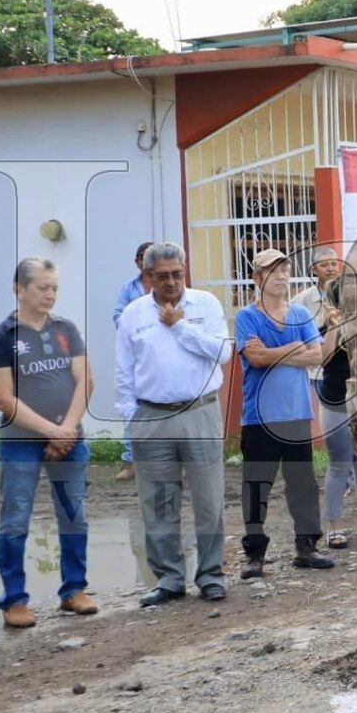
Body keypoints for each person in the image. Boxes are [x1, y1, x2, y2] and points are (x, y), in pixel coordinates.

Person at [0, 257, 98, 628]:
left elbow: (85, 382)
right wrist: (52, 430)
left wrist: (67, 429)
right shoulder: (2, 338)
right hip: (20, 443)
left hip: (69, 439)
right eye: (42, 288)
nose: (50, 295)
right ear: (19, 289)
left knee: (74, 515)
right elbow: (4, 399)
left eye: (54, 288)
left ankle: (74, 590)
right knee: (16, 520)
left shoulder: (66, 329)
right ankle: (14, 600)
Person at [114, 242, 232, 606]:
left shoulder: (205, 304)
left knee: (209, 500)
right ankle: (169, 578)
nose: (171, 282)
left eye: (177, 274)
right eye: (162, 276)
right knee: (159, 502)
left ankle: (210, 575)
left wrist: (181, 327)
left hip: (200, 412)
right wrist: (133, 419)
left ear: (185, 271)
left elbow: (223, 352)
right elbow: (124, 372)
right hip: (152, 417)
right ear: (148, 276)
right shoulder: (133, 314)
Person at [235, 248, 336, 577]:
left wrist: (275, 353)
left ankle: (307, 547)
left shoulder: (300, 315)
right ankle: (255, 555)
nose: (281, 276)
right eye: (272, 270)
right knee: (256, 487)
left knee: (302, 484)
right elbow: (255, 359)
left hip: (296, 414)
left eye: (285, 269)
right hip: (259, 417)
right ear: (257, 278)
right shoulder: (247, 317)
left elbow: (316, 356)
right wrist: (294, 349)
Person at [292, 246, 357, 547]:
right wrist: (334, 327)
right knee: (340, 462)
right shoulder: (323, 324)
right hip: (335, 398)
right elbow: (324, 357)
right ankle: (334, 526)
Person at [112, 241, 154, 481]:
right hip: (136, 354)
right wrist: (137, 327)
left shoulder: (168, 285)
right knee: (132, 406)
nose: (145, 261)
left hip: (163, 356)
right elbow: (118, 316)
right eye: (142, 257)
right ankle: (130, 462)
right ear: (137, 261)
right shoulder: (129, 288)